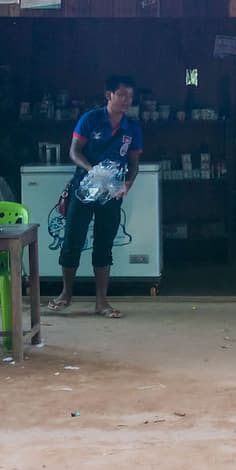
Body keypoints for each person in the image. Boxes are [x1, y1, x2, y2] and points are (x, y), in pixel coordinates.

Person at [48, 73, 142, 319]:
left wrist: (127, 184)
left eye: (130, 96)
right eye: (122, 95)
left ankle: (102, 301)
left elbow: (134, 162)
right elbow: (74, 151)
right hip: (83, 189)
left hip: (112, 194)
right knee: (72, 242)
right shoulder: (90, 119)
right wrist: (93, 171)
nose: (126, 100)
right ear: (108, 95)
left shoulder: (132, 128)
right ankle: (66, 294)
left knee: (104, 245)